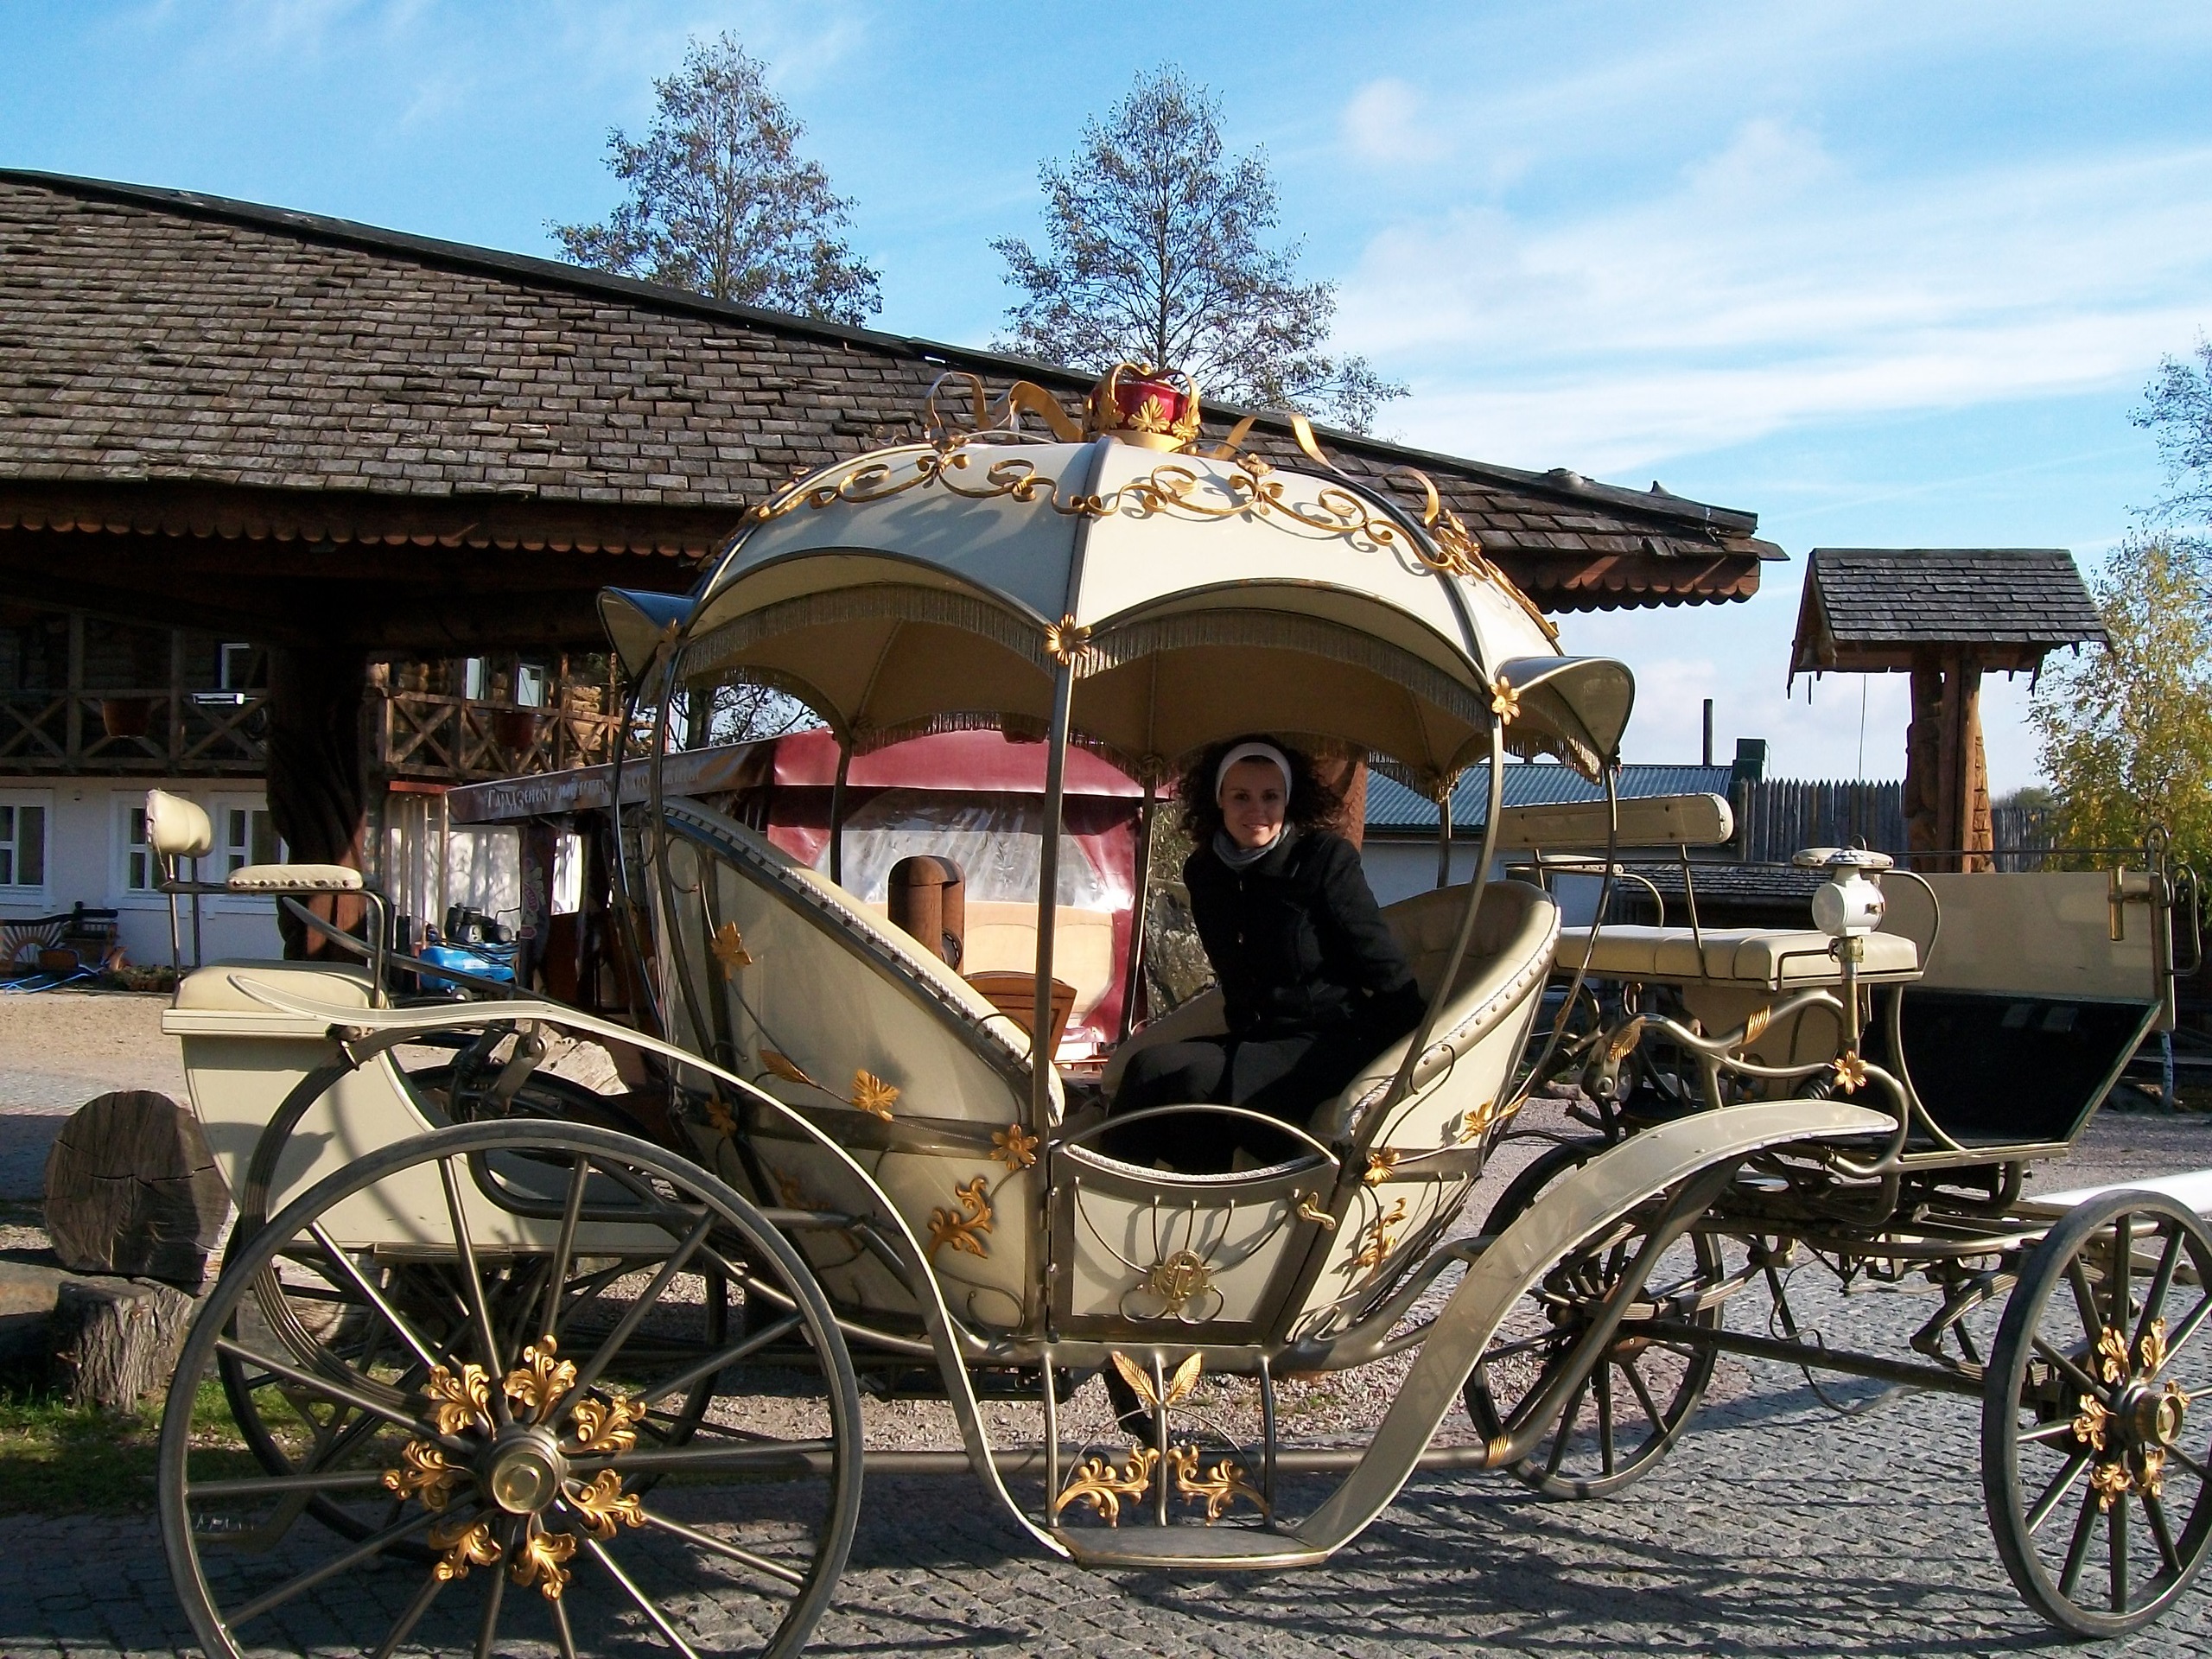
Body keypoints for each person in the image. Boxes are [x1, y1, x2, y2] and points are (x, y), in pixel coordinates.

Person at [1106, 736, 1425, 1172]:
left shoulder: (1323, 860)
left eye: (1270, 796)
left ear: (1288, 800)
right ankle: (1103, 1186)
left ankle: (1201, 1198)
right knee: (1149, 1066)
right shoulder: (1206, 871)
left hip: (1326, 1041)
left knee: (1197, 1082)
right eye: (1241, 796)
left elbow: (1383, 963)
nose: (1256, 810)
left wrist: (1412, 1050)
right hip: (1258, 1036)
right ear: (1219, 799)